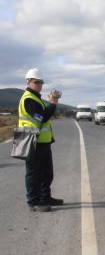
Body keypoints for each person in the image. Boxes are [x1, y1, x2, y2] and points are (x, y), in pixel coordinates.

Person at [18, 68, 63, 212]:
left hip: (41, 141)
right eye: (36, 82)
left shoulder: (36, 98)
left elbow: (44, 117)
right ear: (28, 82)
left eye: (41, 82)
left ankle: (45, 197)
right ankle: (34, 201)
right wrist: (53, 103)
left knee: (46, 172)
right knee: (33, 173)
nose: (39, 84)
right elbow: (42, 117)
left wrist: (51, 104)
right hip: (31, 139)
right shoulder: (28, 99)